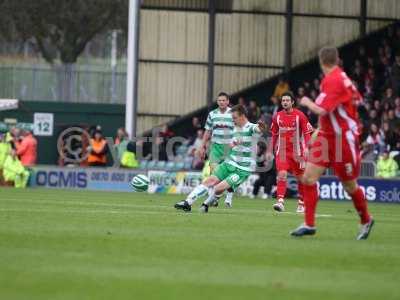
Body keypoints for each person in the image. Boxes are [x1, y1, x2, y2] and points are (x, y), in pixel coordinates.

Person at [293, 46, 374, 240]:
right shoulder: (338, 78)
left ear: (321, 62)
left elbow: (321, 110)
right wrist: (319, 132)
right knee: (308, 178)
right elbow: (341, 106)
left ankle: (366, 219)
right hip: (328, 137)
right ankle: (309, 224)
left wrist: (305, 101)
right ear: (336, 60)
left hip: (342, 139)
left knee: (349, 186)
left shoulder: (334, 80)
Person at [174, 104, 267, 212]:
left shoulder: (250, 127)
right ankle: (187, 202)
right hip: (230, 163)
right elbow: (233, 143)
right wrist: (232, 145)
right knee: (210, 181)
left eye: (234, 118)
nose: (233, 120)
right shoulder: (235, 128)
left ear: (242, 116)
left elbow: (258, 129)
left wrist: (261, 128)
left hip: (242, 169)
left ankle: (206, 204)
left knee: (218, 188)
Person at [268, 92, 313, 213]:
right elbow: (274, 135)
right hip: (282, 152)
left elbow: (307, 133)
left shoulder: (300, 116)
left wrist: (308, 148)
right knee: (282, 174)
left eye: (287, 100)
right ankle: (280, 202)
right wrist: (269, 150)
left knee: (301, 179)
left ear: (292, 102)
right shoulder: (277, 116)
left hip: (298, 153)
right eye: (283, 101)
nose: (285, 102)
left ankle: (301, 203)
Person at [197, 92, 235, 207]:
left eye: (224, 100)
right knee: (214, 172)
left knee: (228, 174)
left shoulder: (233, 114)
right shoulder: (212, 114)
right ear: (217, 102)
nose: (222, 102)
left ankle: (229, 196)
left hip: (230, 147)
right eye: (219, 100)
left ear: (228, 101)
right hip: (216, 147)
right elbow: (208, 131)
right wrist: (202, 145)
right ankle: (214, 198)